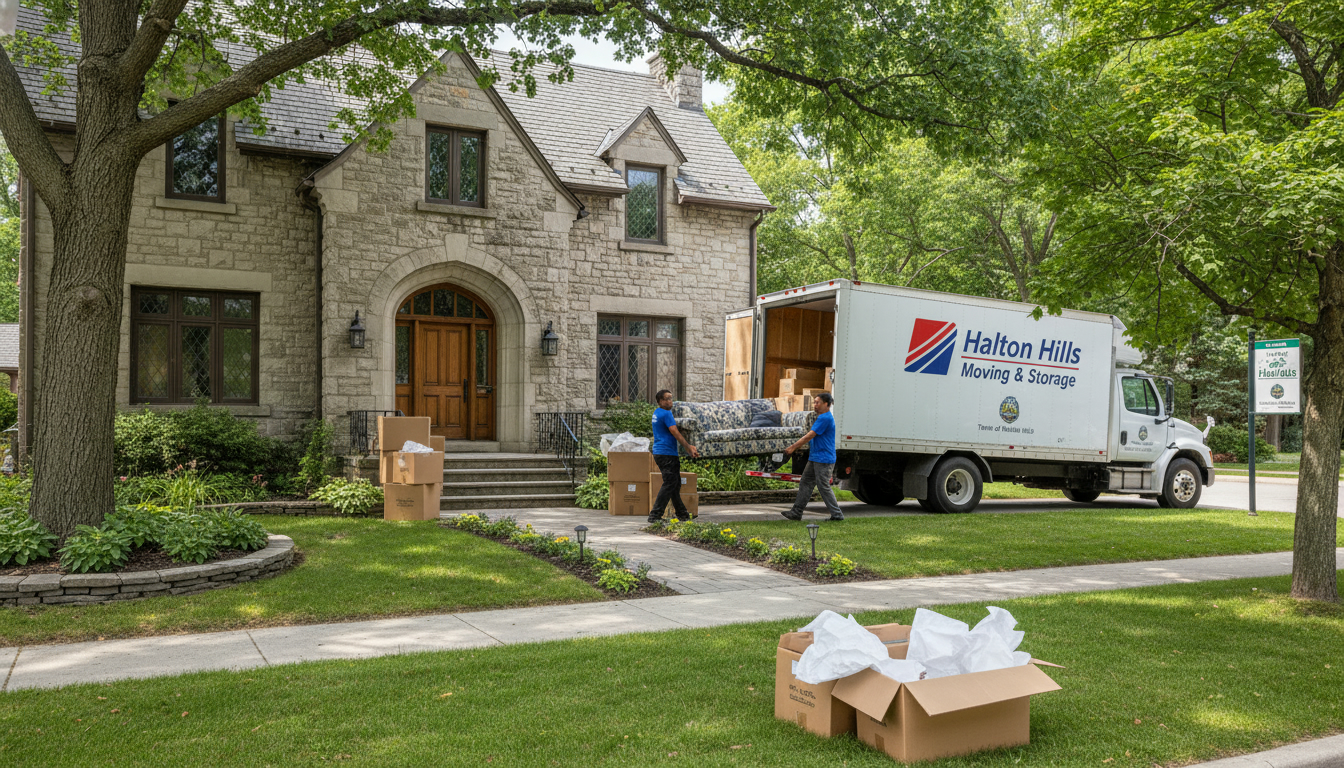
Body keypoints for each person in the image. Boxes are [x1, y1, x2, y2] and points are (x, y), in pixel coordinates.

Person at [781, 392, 842, 521]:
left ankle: (837, 515)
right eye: (814, 402)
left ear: (826, 404)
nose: (815, 405)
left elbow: (810, 435)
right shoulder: (821, 417)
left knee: (823, 485)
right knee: (806, 482)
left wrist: (792, 448)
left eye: (817, 402)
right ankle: (796, 512)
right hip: (815, 457)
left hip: (824, 458)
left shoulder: (825, 418)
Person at [649, 389, 700, 523]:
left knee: (674, 484)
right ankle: (655, 515)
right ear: (660, 401)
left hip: (661, 452)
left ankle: (682, 514)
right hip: (667, 454)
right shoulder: (666, 414)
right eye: (666, 398)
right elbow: (674, 431)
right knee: (670, 483)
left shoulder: (657, 412)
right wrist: (688, 447)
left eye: (671, 398)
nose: (670, 401)